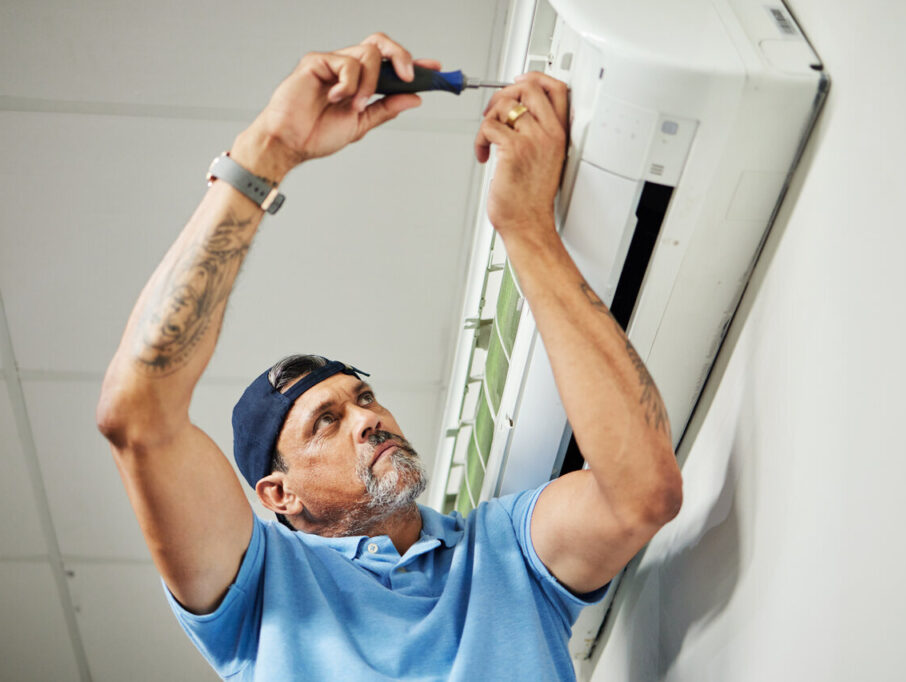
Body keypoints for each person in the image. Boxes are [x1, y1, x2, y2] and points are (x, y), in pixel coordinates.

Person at [96, 33, 682, 681]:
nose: (368, 419)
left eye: (365, 398)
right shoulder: (260, 594)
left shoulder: (505, 550)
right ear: (279, 494)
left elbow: (641, 494)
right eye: (326, 421)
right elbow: (136, 414)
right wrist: (270, 147)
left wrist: (527, 228)